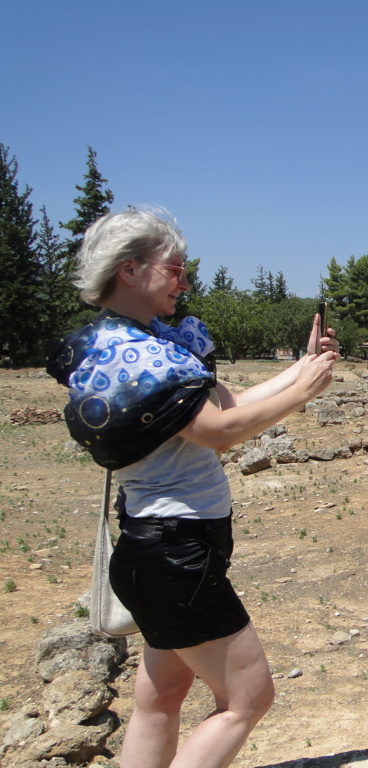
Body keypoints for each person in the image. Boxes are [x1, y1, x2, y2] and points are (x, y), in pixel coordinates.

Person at [47, 208, 340, 768]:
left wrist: (305, 366)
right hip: (177, 555)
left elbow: (229, 404)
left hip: (153, 551)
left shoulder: (138, 344)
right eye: (176, 268)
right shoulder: (138, 355)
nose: (185, 280)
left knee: (159, 699)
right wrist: (301, 391)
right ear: (130, 270)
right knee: (247, 699)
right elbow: (218, 432)